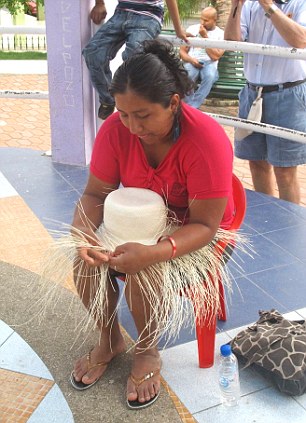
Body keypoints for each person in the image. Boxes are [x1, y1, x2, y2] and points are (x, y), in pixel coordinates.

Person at [69, 39, 235, 409]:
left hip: (199, 234)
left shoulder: (205, 140)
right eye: (124, 114)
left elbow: (208, 226)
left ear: (174, 103)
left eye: (143, 116)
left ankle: (147, 351)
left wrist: (155, 250)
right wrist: (82, 235)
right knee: (84, 261)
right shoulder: (116, 130)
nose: (131, 126)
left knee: (146, 272)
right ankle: (110, 337)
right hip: (147, 223)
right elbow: (95, 194)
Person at [224, 0, 306, 204]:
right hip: (252, 94)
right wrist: (236, 5)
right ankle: (268, 217)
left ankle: (289, 226)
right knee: (256, 163)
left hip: (287, 93)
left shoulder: (299, 3)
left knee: (285, 170)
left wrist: (268, 6)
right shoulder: (250, 6)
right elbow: (232, 40)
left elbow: (300, 39)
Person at [83, 0, 189, 120]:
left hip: (148, 14)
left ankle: (136, 105)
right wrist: (99, 4)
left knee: (133, 58)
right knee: (93, 53)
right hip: (121, 11)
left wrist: (178, 30)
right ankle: (108, 99)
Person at [180, 6, 224, 109]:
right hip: (192, 61)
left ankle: (192, 107)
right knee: (188, 75)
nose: (202, 23)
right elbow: (182, 52)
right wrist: (191, 60)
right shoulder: (192, 29)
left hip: (210, 64)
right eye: (201, 19)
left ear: (214, 20)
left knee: (210, 76)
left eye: (206, 20)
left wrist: (205, 37)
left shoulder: (220, 34)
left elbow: (215, 56)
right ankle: (190, 105)